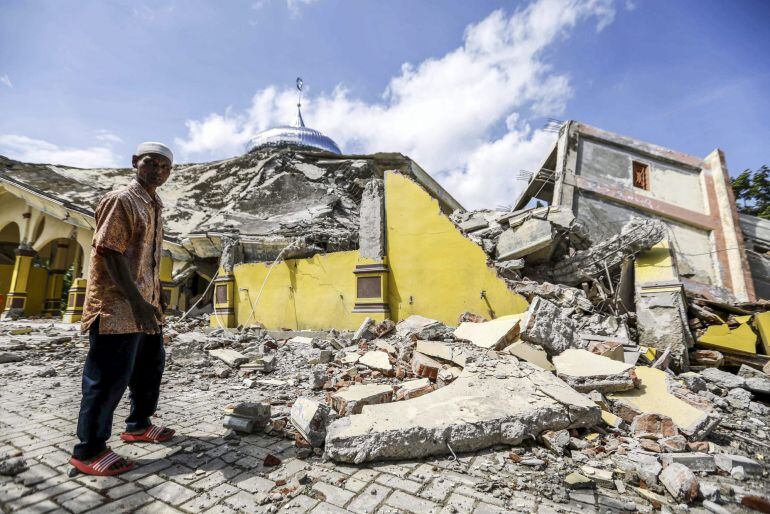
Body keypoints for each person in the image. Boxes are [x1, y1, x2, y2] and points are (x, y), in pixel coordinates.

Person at [70, 142, 176, 476]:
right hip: (118, 308)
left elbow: (146, 260)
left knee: (149, 368)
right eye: (151, 163)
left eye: (164, 167)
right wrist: (137, 302)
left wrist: (154, 299)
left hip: (146, 308)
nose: (158, 170)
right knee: (107, 379)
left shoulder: (154, 204)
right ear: (135, 162)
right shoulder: (122, 200)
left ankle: (138, 425)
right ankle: (89, 451)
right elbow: (109, 252)